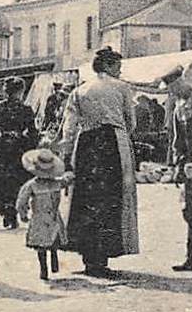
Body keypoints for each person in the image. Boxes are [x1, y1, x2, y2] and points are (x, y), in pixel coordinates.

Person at [59, 47, 140, 278]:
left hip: (86, 145)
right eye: (117, 66)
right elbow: (130, 121)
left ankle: (88, 257)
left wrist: (67, 153)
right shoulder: (122, 87)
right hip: (112, 143)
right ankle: (103, 256)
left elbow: (69, 126)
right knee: (111, 199)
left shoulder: (80, 90)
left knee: (85, 199)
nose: (119, 70)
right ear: (108, 65)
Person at [164, 65, 192, 272]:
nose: (173, 93)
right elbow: (177, 139)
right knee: (190, 211)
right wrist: (176, 165)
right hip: (189, 164)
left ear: (181, 82)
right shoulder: (178, 106)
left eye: (174, 88)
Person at [0, 76, 39, 229]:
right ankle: (14, 211)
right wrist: (30, 146)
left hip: (0, 145)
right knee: (18, 178)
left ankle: (5, 211)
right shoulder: (26, 110)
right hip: (19, 146)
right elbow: (33, 132)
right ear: (21, 91)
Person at [17, 146, 72, 281]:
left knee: (41, 245)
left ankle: (44, 269)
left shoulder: (32, 185)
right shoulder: (57, 184)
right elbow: (69, 179)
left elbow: (21, 201)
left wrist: (23, 214)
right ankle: (53, 259)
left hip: (39, 217)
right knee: (53, 239)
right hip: (53, 216)